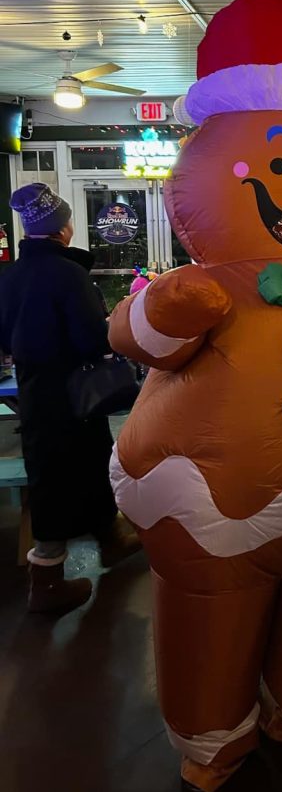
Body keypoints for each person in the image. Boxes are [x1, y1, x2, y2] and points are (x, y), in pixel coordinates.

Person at [0, 183, 140, 616]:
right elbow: (89, 338)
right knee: (68, 473)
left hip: (37, 393)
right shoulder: (68, 273)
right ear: (63, 227)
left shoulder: (12, 275)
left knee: (64, 468)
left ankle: (109, 538)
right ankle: (47, 580)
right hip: (76, 393)